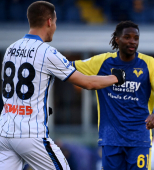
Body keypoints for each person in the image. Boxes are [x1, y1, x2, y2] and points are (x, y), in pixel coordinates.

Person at [0, 1, 125, 170]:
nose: (55, 27)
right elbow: (88, 83)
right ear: (49, 22)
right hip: (30, 134)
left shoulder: (11, 49)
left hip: (5, 132)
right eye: (56, 22)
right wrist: (115, 77)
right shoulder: (47, 52)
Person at [71, 20, 154, 170]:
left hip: (139, 138)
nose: (132, 41)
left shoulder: (149, 64)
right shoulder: (103, 62)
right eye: (127, 37)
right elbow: (67, 67)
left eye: (136, 38)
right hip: (110, 138)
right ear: (117, 39)